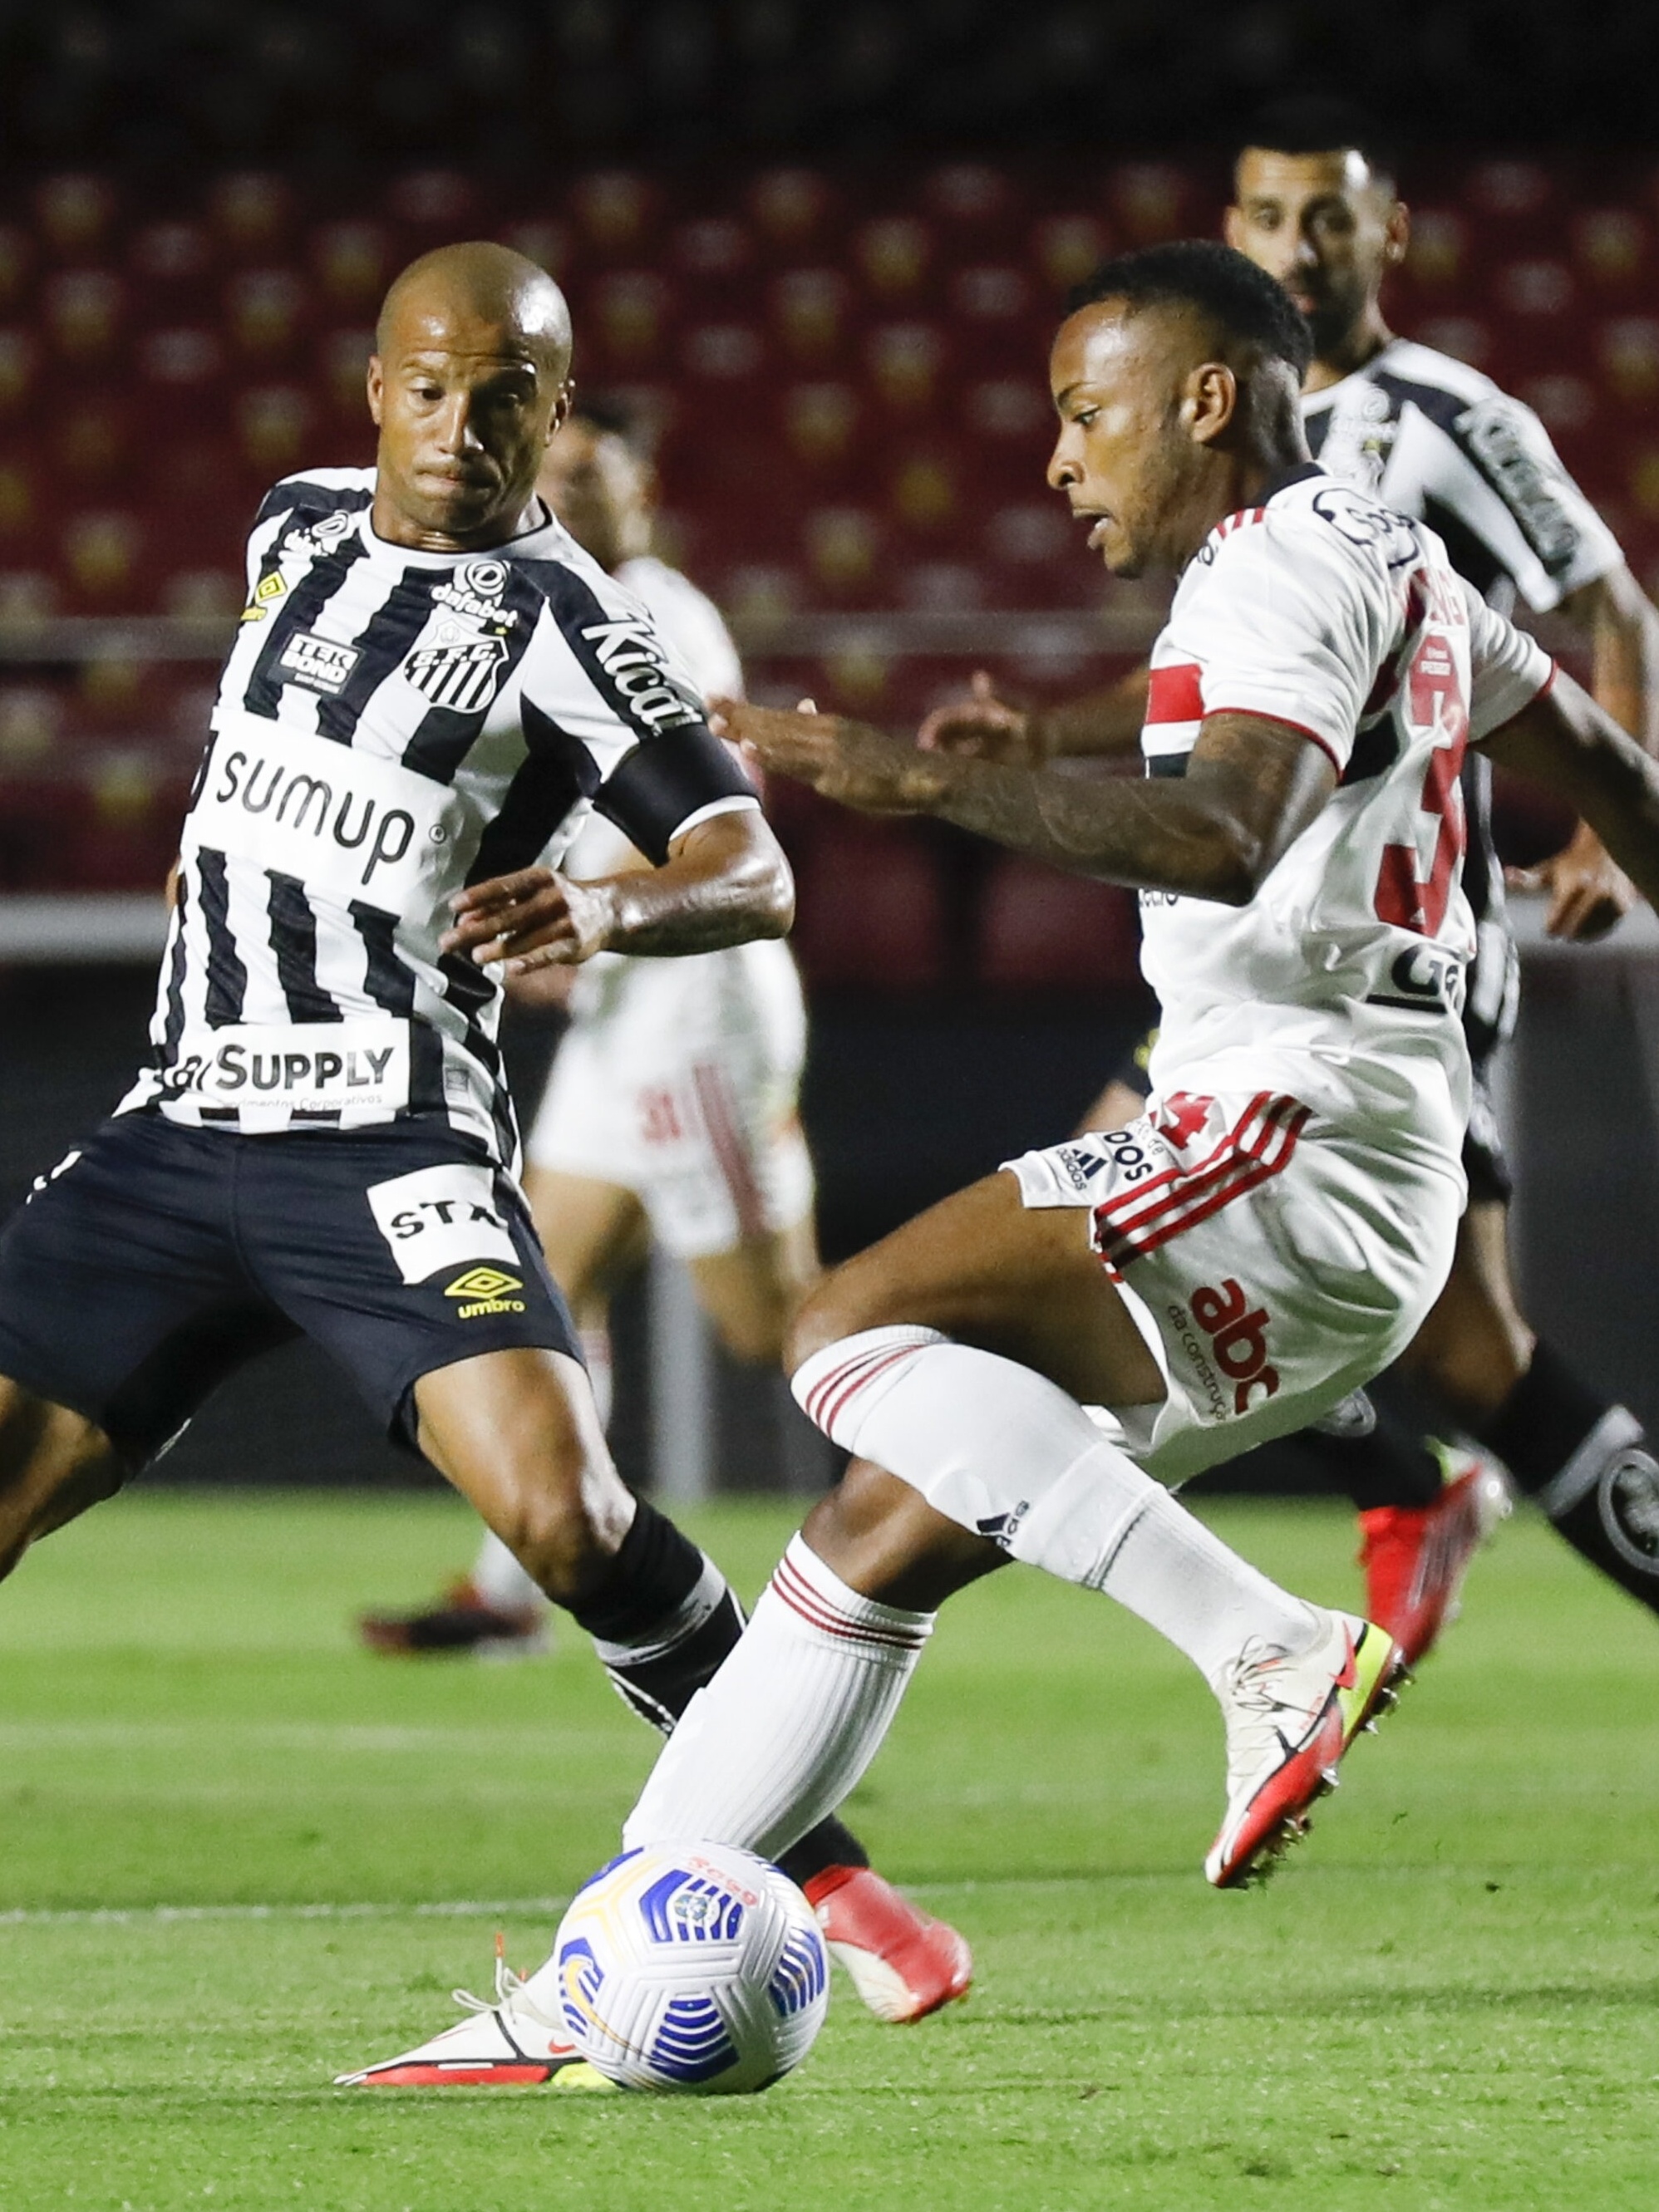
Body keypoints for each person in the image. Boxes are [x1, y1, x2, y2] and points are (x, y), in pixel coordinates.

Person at [494, 239, 1659, 1974]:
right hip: (1351, 1156)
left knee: (839, 1328)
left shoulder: (1272, 570)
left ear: (1202, 400)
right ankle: (601, 1966)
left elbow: (1223, 830)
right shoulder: (1385, 558)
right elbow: (1609, 765)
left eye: (1081, 413)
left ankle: (1262, 1642)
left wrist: (918, 777)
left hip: (1291, 1127)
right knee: (871, 1527)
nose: (1054, 460)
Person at [0, 242, 971, 2085]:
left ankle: (816, 1867)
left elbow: (751, 865)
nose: (461, 429)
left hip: (389, 1140)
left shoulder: (569, 619)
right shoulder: (286, 532)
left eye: (507, 396)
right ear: (373, 389)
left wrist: (603, 899)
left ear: (554, 410)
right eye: (430, 388)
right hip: (179, 1114)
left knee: (564, 1518)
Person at [918, 100, 1659, 1662]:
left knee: (1141, 1226)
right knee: (1469, 1351)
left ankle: (1370, 1521)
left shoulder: (1460, 422)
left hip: (1381, 935)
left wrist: (1599, 834)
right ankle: (1407, 1495)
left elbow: (1613, 624)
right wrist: (1049, 729)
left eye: (1327, 214)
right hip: (1267, 937)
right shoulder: (1216, 446)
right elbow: (1251, 693)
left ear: (1386, 231)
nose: (1296, 243)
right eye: (1266, 215)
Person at [359, 396, 820, 1661]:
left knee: (783, 1329)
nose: (568, 493)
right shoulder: (542, 602)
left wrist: (593, 906)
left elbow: (721, 804)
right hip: (622, 1019)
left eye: (590, 472)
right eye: (551, 475)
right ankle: (514, 1594)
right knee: (545, 1285)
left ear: (641, 486)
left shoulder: (661, 612)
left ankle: (974, 1491)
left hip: (692, 1014)